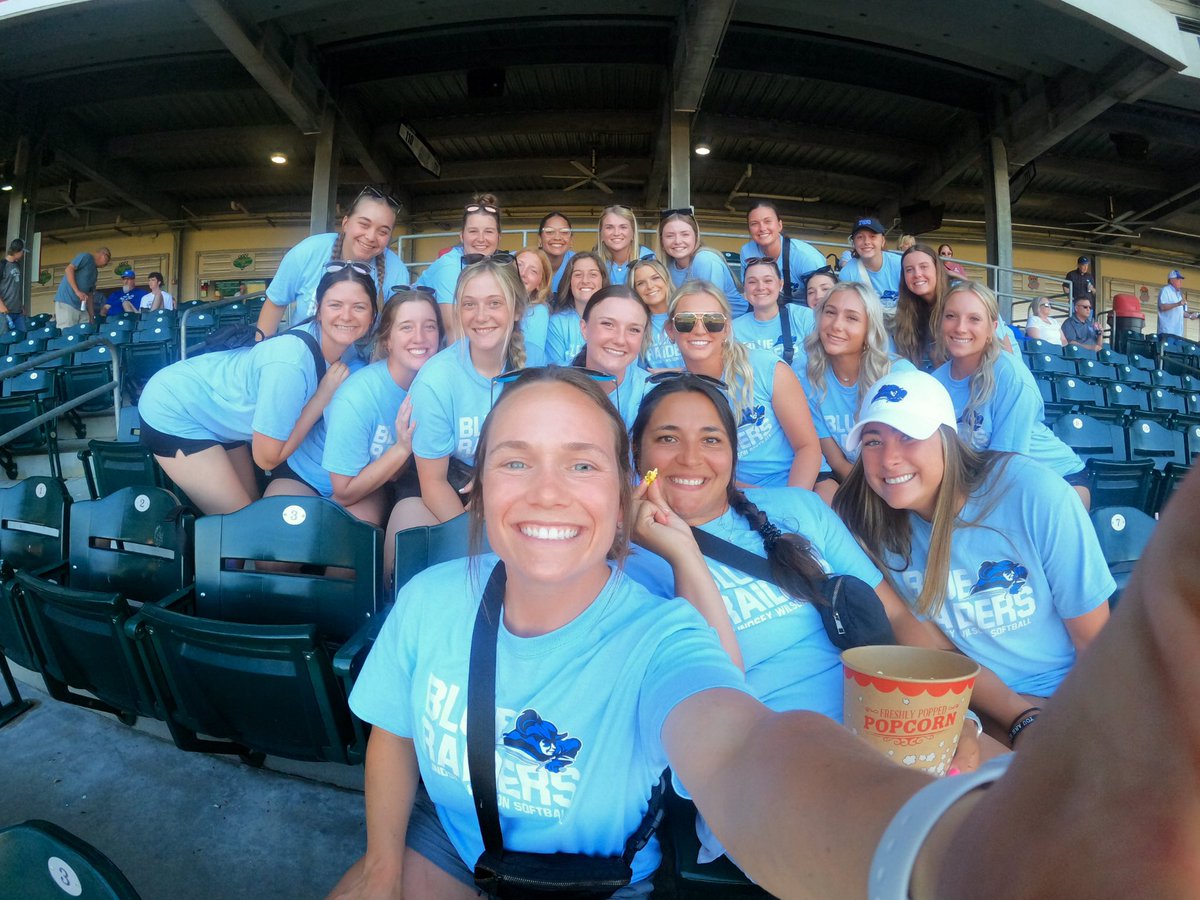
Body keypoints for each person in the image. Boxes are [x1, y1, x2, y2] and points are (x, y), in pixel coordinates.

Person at [328, 363, 1200, 900]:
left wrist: (951, 862)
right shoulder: (444, 595)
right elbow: (397, 725)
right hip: (449, 831)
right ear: (479, 481)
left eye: (581, 463)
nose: (549, 491)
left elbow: (740, 746)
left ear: (614, 482)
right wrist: (375, 864)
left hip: (617, 858)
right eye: (516, 459)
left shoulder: (670, 615)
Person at [835, 370, 1112, 713]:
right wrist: (1007, 717)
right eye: (873, 441)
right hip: (969, 702)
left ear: (947, 438)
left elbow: (1095, 644)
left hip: (1066, 696)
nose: (889, 459)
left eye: (908, 436)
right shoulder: (869, 523)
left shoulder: (1035, 494)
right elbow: (937, 648)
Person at [138, 261, 376, 516]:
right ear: (318, 310)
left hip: (219, 411)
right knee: (241, 528)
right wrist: (322, 397)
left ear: (373, 313)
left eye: (359, 307)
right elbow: (267, 458)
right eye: (335, 305)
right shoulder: (290, 362)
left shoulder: (347, 348)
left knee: (251, 510)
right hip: (174, 408)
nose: (347, 316)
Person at [270, 287, 442, 535]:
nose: (420, 337)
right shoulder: (358, 395)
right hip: (307, 477)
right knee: (278, 560)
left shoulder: (435, 389)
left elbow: (394, 474)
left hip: (367, 483)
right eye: (406, 327)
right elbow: (343, 489)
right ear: (387, 339)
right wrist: (402, 449)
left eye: (430, 326)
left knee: (350, 552)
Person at [931, 280, 1089, 507]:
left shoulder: (1010, 376)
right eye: (951, 316)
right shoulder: (935, 383)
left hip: (1057, 481)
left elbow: (1005, 468)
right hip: (986, 481)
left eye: (974, 319)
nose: (960, 327)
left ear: (992, 328)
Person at [406, 256, 531, 525]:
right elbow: (433, 483)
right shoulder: (436, 381)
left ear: (517, 310)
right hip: (450, 489)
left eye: (494, 303)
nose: (481, 316)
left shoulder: (535, 369)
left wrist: (497, 476)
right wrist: (472, 540)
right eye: (469, 304)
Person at [667, 280, 821, 489]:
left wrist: (789, 502)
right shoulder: (676, 397)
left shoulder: (767, 368)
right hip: (726, 495)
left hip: (790, 485)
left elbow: (807, 448)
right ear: (670, 330)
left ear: (726, 329)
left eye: (713, 321)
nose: (699, 330)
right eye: (686, 321)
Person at [802, 281, 915, 504]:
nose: (836, 325)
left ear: (869, 328)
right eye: (830, 313)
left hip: (902, 482)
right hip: (856, 484)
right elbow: (836, 460)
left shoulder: (898, 376)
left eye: (851, 318)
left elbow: (912, 453)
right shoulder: (809, 378)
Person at [257, 186, 407, 339]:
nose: (370, 236)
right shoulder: (308, 251)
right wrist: (260, 353)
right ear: (346, 223)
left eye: (382, 232)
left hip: (363, 362)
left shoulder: (397, 271)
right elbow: (275, 303)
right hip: (302, 353)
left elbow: (395, 330)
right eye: (364, 224)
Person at [569, 285, 652, 430]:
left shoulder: (653, 394)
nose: (620, 340)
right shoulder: (558, 389)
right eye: (608, 324)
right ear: (584, 328)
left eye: (634, 330)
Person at [658, 208, 746, 316]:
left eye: (685, 234)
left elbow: (710, 310)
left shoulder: (705, 260)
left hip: (734, 322)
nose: (677, 241)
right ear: (662, 241)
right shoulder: (669, 267)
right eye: (670, 236)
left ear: (696, 236)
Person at [732, 256, 813, 369]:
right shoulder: (733, 330)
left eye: (768, 280)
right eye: (752, 282)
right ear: (745, 288)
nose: (760, 287)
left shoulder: (803, 317)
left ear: (780, 285)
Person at [738, 200, 825, 302]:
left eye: (767, 221)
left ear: (779, 225)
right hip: (767, 310)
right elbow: (750, 292)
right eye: (754, 224)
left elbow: (823, 301)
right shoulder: (747, 252)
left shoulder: (806, 257)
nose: (762, 228)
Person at [893, 243, 953, 370]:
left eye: (924, 267)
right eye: (909, 270)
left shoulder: (961, 298)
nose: (917, 274)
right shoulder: (906, 311)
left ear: (937, 269)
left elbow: (1004, 349)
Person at [545, 251, 607, 365]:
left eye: (593, 274)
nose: (585, 280)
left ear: (602, 280)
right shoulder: (557, 323)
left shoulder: (617, 321)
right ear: (569, 282)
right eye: (578, 274)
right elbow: (554, 372)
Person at [838, 217, 903, 310]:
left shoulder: (900, 264)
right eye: (860, 237)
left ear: (883, 241)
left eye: (873, 236)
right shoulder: (848, 273)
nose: (866, 242)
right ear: (853, 243)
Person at [631, 257, 682, 370]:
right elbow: (638, 371)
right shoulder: (637, 325)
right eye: (641, 283)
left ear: (666, 280)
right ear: (635, 291)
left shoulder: (686, 315)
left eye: (655, 278)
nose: (650, 286)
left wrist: (673, 372)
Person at [595, 205, 654, 285]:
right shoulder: (593, 262)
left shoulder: (649, 259)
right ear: (601, 233)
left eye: (623, 227)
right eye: (609, 227)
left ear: (633, 233)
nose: (616, 233)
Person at [54, 246, 110, 326]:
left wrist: (91, 315)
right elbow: (69, 269)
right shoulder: (86, 257)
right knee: (68, 330)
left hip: (81, 306)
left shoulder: (95, 272)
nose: (106, 265)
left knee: (84, 328)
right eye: (107, 261)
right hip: (67, 301)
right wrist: (77, 291)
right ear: (104, 255)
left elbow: (90, 294)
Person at [516, 247, 553, 358]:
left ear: (539, 284)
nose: (523, 273)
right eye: (519, 265)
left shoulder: (538, 312)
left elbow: (530, 360)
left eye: (533, 271)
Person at [537, 211, 575, 293]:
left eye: (564, 232)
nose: (557, 237)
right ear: (540, 239)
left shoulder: (578, 263)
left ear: (571, 240)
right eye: (549, 232)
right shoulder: (523, 261)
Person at [1157, 269, 1191, 339]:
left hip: (1178, 333)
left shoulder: (1181, 294)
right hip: (1166, 332)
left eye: (1181, 280)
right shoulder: (1165, 290)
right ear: (1171, 280)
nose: (1181, 282)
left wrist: (1191, 316)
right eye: (1178, 279)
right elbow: (1162, 307)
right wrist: (1178, 304)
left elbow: (1183, 313)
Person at [0, 238, 26, 331]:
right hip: (4, 311)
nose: (23, 254)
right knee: (5, 339)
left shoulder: (17, 265)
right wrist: (1, 305)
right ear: (17, 251)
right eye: (22, 251)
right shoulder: (2, 265)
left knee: (22, 336)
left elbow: (16, 287)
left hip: (18, 312)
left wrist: (21, 306)